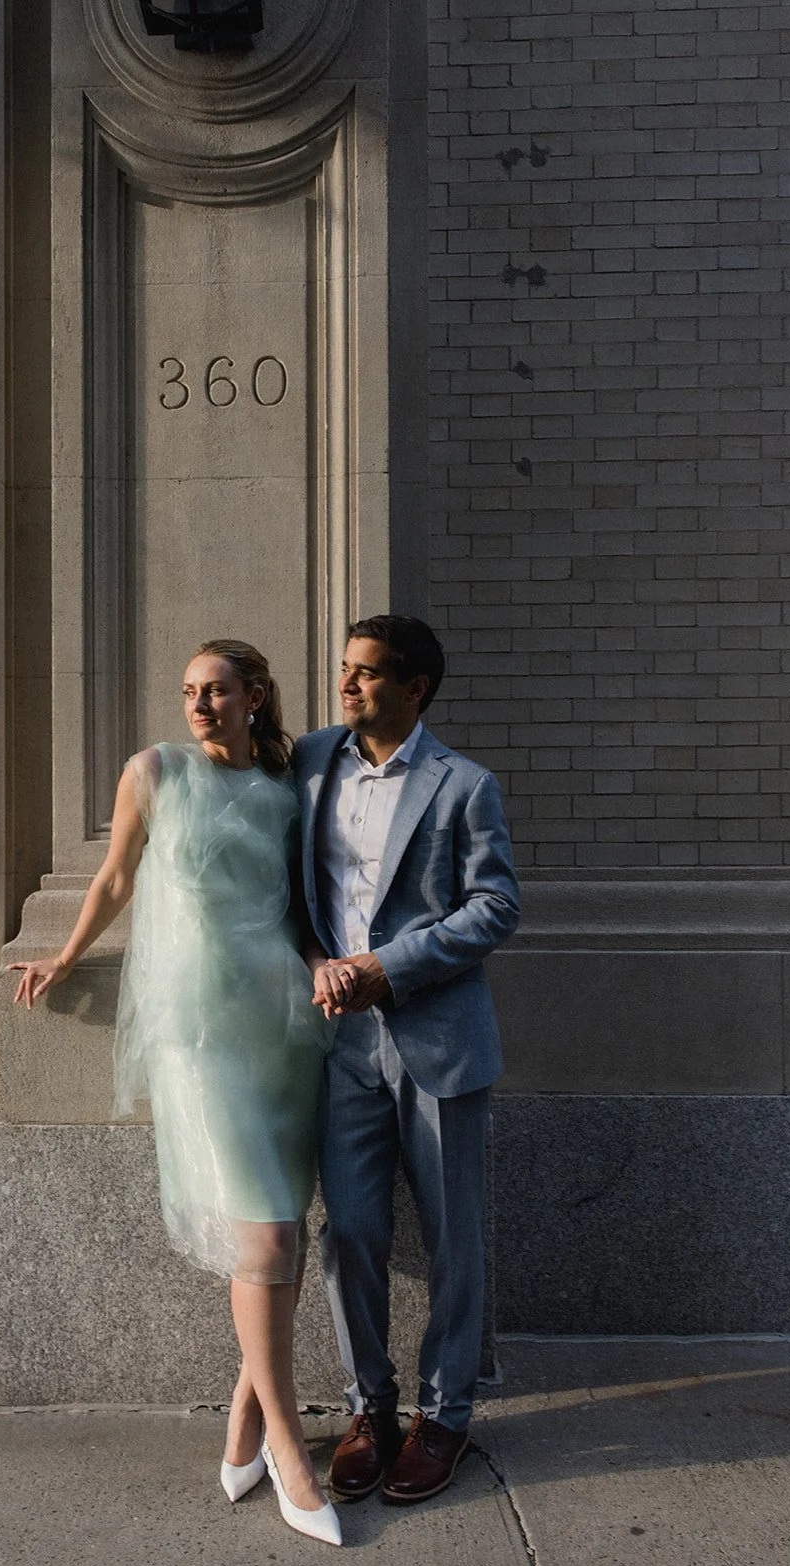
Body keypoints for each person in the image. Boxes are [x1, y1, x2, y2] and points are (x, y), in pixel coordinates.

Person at [10, 641, 344, 1547]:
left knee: (282, 1231)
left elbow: (300, 907)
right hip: (199, 1033)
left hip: (281, 1025)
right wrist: (63, 956)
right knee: (264, 1236)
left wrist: (321, 966)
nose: (198, 704)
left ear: (253, 696)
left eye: (216, 690)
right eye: (189, 691)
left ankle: (244, 1418)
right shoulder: (155, 771)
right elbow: (117, 876)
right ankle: (287, 1448)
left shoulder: (284, 787)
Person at [292, 614, 520, 1504]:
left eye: (366, 673)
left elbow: (494, 906)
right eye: (344, 668)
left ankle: (446, 1415)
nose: (346, 685)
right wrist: (320, 960)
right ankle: (369, 1409)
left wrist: (386, 967)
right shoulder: (312, 761)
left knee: (454, 1239)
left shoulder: (463, 784)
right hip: (339, 1041)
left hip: (437, 1037)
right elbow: (294, 887)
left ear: (413, 688)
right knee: (349, 1231)